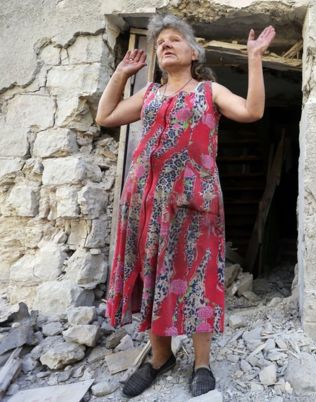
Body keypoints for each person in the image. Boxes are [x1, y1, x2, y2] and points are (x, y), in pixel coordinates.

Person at [96, 14, 275, 398]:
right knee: (153, 274)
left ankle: (202, 362)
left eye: (175, 39)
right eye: (160, 42)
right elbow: (105, 116)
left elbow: (252, 112)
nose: (165, 44)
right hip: (145, 202)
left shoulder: (209, 91)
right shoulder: (150, 95)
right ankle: (161, 358)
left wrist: (256, 59)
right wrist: (121, 75)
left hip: (196, 203)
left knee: (198, 279)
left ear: (194, 53)